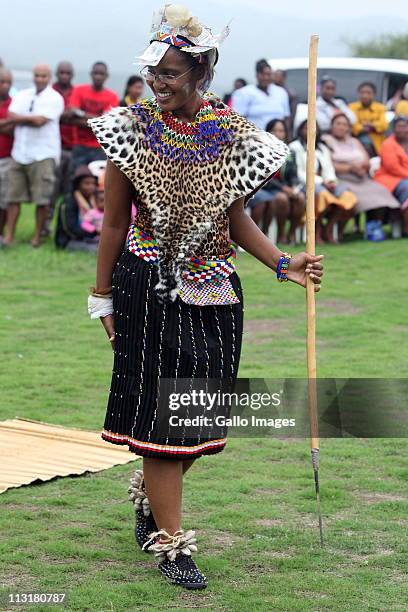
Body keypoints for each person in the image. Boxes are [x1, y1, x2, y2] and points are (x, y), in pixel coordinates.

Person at [86, 3, 324, 591]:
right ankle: (172, 543)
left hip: (216, 290)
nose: (157, 82)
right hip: (147, 286)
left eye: (169, 73)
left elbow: (235, 215)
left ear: (200, 73)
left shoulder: (231, 135)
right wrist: (101, 295)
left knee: (195, 418)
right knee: (165, 425)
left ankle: (149, 491)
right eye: (152, 72)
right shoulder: (132, 131)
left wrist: (282, 263)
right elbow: (113, 224)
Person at [4, 64, 64, 247]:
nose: (40, 79)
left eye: (43, 76)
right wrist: (29, 119)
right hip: (19, 152)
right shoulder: (23, 95)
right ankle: (9, 237)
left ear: (49, 77)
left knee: (42, 199)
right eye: (37, 75)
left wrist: (19, 119)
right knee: (13, 197)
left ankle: (37, 237)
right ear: (33, 76)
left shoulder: (55, 98)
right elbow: (11, 114)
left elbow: (40, 121)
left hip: (43, 154)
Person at [322, 114, 400, 236]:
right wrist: (350, 168)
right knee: (353, 196)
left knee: (381, 191)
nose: (341, 127)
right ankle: (337, 230)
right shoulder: (326, 141)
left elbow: (366, 159)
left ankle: (374, 227)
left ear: (348, 128)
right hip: (341, 179)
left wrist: (362, 167)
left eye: (344, 125)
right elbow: (327, 163)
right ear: (332, 126)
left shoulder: (354, 141)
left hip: (362, 178)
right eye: (338, 124)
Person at [290, 119, 357, 243]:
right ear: (300, 130)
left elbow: (329, 169)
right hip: (305, 184)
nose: (309, 131)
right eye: (306, 128)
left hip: (326, 182)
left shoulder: (322, 147)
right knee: (322, 195)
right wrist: (321, 181)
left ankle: (329, 227)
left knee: (348, 196)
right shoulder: (294, 147)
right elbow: (298, 173)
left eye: (313, 128)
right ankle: (317, 229)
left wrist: (330, 181)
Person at [68, 62, 119, 170]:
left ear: (106, 76)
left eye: (101, 74)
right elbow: (71, 116)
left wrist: (81, 114)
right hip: (79, 145)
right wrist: (97, 119)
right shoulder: (79, 90)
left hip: (99, 147)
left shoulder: (112, 96)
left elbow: (105, 124)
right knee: (75, 178)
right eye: (96, 73)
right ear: (91, 74)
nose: (98, 77)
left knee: (97, 181)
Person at [231, 59, 290, 130]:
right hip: (255, 137)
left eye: (268, 74)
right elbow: (238, 120)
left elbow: (286, 117)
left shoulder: (281, 92)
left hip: (277, 138)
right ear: (256, 75)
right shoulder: (244, 93)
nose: (266, 78)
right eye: (262, 74)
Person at [374, 117, 408, 236]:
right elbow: (392, 167)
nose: (401, 129)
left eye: (404, 126)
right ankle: (406, 227)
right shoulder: (388, 144)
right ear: (394, 129)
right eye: (399, 126)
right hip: (389, 179)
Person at [55, 164, 99, 251]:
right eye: (87, 183)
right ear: (78, 185)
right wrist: (95, 233)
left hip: (91, 237)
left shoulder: (94, 200)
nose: (91, 187)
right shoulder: (68, 202)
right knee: (100, 250)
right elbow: (70, 229)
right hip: (70, 240)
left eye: (93, 184)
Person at [348, 82, 388, 156]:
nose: (365, 96)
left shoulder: (380, 108)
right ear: (358, 93)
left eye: (368, 93)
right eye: (362, 92)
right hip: (357, 144)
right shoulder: (352, 107)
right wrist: (366, 128)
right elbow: (353, 126)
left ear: (374, 94)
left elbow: (384, 125)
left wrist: (371, 125)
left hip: (377, 144)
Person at [0, 69, 13, 241]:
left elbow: (14, 128)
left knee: (3, 199)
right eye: (2, 81)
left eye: (8, 82)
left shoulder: (15, 104)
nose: (5, 86)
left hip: (7, 157)